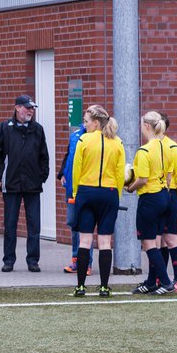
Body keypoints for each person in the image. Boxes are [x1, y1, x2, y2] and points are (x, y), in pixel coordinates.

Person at [0, 94, 50, 272]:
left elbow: (43, 156)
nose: (30, 111)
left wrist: (41, 176)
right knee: (10, 224)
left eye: (32, 108)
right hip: (12, 184)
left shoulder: (37, 129)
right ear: (17, 108)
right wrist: (2, 175)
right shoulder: (4, 128)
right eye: (27, 107)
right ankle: (8, 260)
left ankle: (33, 260)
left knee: (34, 224)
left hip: (32, 184)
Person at [69, 106, 124, 297]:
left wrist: (76, 192)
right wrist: (116, 196)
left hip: (86, 191)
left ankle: (81, 286)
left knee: (85, 240)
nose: (84, 124)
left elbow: (76, 168)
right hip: (108, 193)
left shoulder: (84, 139)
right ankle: (104, 287)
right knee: (105, 242)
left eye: (85, 121)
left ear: (95, 122)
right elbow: (119, 173)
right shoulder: (117, 142)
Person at [126, 111, 175, 295]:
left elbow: (143, 180)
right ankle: (151, 281)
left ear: (147, 126)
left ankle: (165, 282)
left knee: (148, 244)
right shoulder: (166, 147)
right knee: (156, 241)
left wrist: (130, 188)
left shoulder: (144, 151)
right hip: (164, 196)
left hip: (150, 199)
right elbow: (169, 175)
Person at [158, 112, 177, 292]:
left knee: (170, 237)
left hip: (170, 195)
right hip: (156, 194)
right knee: (158, 239)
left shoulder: (173, 147)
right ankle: (161, 279)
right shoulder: (152, 147)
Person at [58, 115, 87, 274]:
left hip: (85, 188)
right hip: (70, 187)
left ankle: (86, 262)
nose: (84, 121)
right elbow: (69, 155)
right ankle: (75, 260)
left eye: (87, 118)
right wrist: (63, 173)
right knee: (73, 224)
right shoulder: (75, 135)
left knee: (85, 226)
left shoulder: (94, 138)